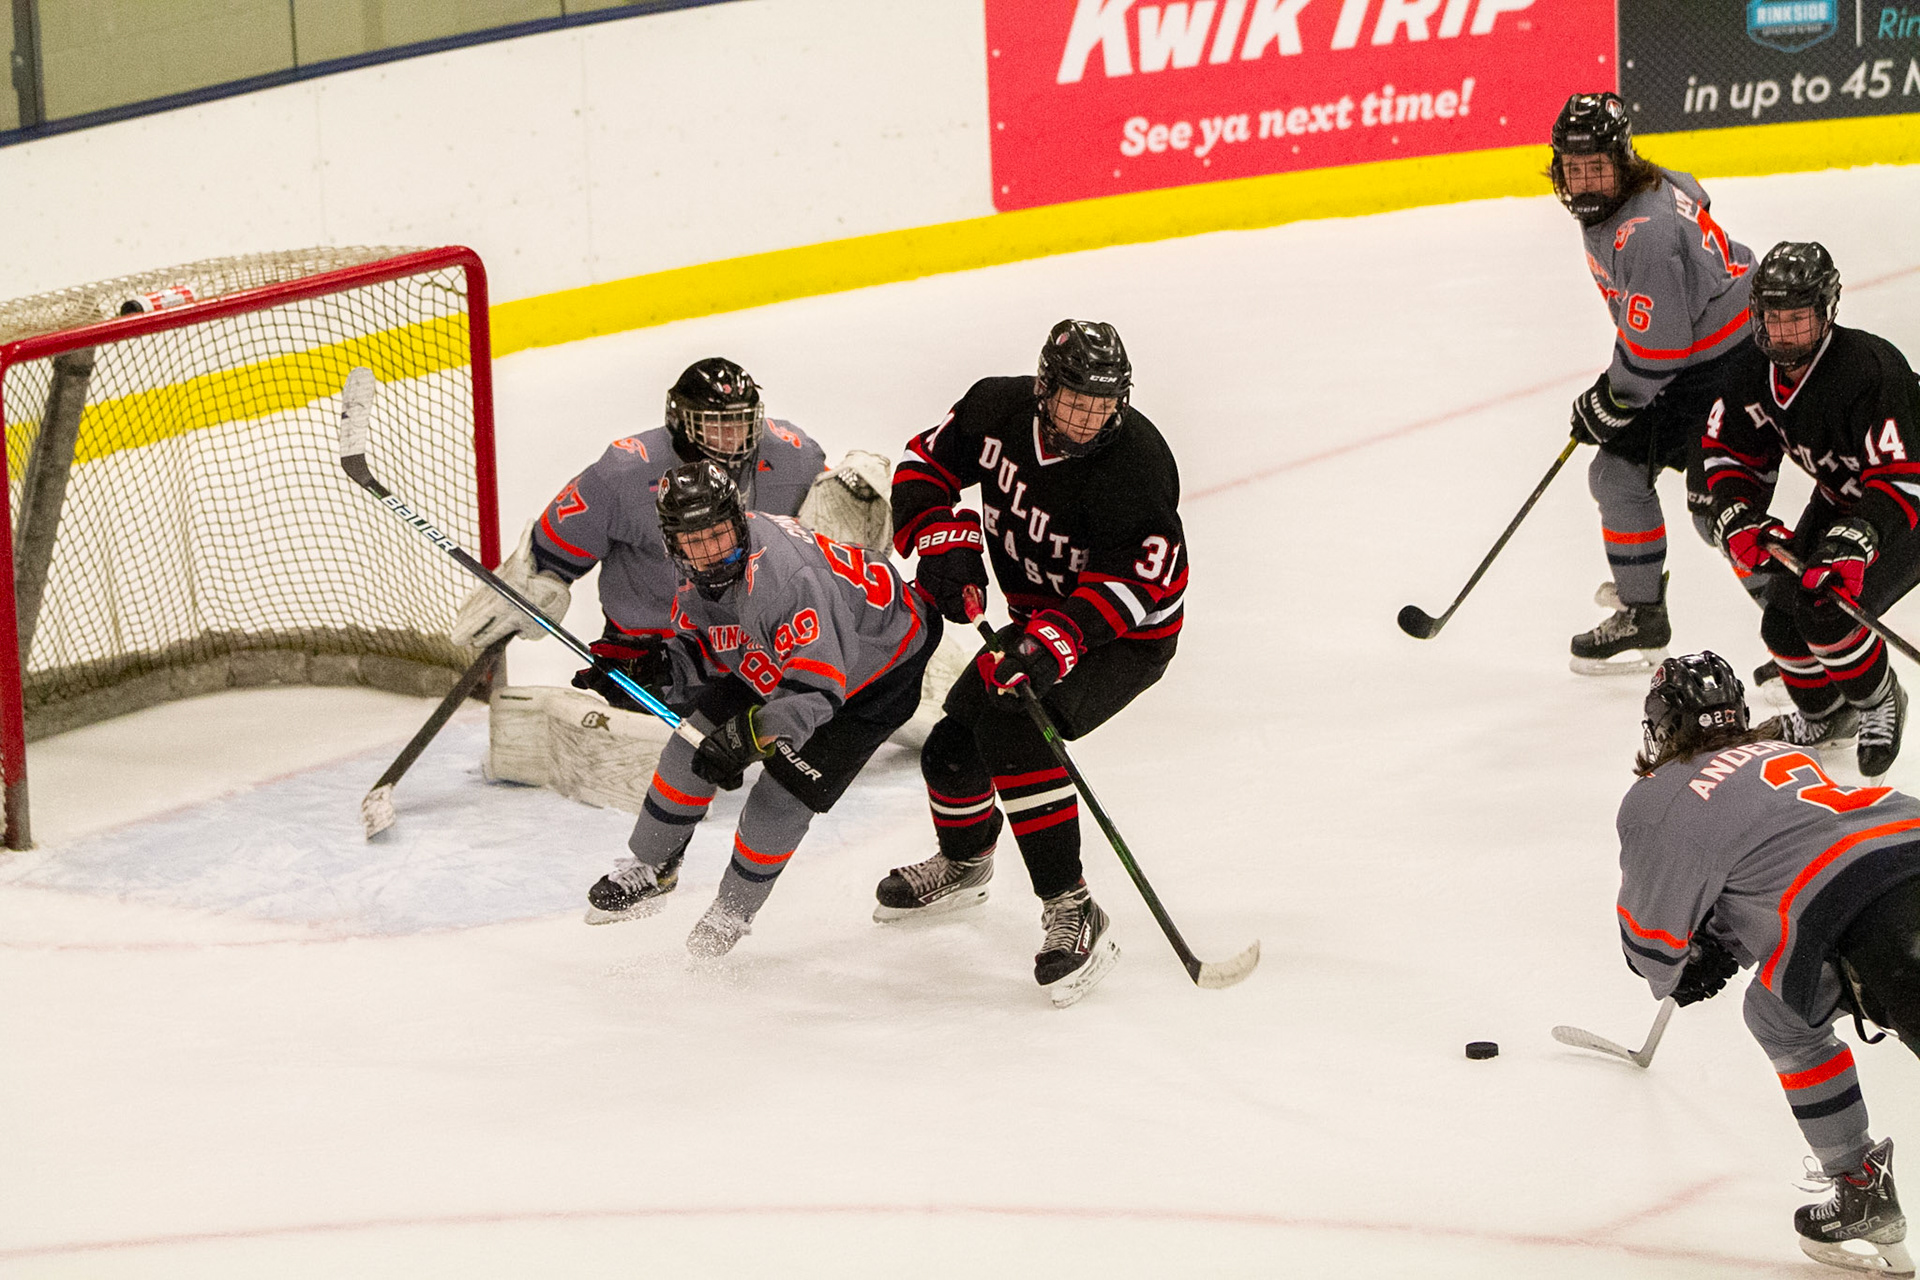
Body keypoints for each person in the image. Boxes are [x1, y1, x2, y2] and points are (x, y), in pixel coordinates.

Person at [873, 318, 1185, 1007]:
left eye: (1103, 404)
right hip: (1034, 618)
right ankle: (965, 864)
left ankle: (1073, 907)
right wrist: (942, 537)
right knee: (951, 753)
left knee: (1016, 728)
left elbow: (1138, 584)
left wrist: (1053, 643)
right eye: (1075, 401)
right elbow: (924, 464)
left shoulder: (1137, 462)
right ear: (1044, 388)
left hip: (1121, 638)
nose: (1089, 418)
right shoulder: (995, 409)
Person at [1616, 652, 1920, 1276]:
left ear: (1662, 725)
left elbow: (1650, 949)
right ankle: (1859, 1190)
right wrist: (1723, 936)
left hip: (1879, 916)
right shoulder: (1783, 753)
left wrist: (1690, 962)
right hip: (1904, 842)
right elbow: (1777, 866)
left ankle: (1860, 1185)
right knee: (1777, 1013)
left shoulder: (1657, 799)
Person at [577, 460, 940, 955]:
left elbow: (816, 692)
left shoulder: (786, 581)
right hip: (788, 649)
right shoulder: (695, 575)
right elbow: (715, 649)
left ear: (738, 521)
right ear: (672, 543)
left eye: (718, 535)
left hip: (875, 665)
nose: (709, 553)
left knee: (779, 798)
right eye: (694, 541)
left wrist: (745, 739)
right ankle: (653, 867)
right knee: (688, 747)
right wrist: (653, 668)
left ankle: (733, 910)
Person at [449, 356, 825, 708]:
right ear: (681, 421)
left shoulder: (793, 456)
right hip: (651, 654)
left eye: (740, 424)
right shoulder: (624, 473)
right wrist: (535, 583)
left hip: (758, 645)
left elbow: (832, 536)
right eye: (715, 427)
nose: (731, 440)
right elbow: (550, 552)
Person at [1549, 91, 1760, 675]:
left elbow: (1660, 346)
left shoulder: (1642, 233)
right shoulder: (1637, 194)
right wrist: (1617, 393)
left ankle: (1804, 635)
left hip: (1730, 363)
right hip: (1688, 361)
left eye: (1597, 167)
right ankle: (1642, 614)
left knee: (1718, 511)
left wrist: (1613, 397)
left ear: (1621, 161)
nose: (1584, 183)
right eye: (1573, 169)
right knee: (1615, 475)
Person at [1702, 241, 1920, 777]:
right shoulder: (1751, 374)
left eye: (1797, 319)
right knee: (1782, 624)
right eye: (1773, 319)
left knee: (1827, 611)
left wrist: (1859, 538)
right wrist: (1736, 510)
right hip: (1844, 499)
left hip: (1906, 506)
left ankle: (1879, 700)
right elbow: (1732, 453)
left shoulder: (1870, 369)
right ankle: (1827, 717)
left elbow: (1901, 476)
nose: (1783, 334)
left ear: (1826, 312)